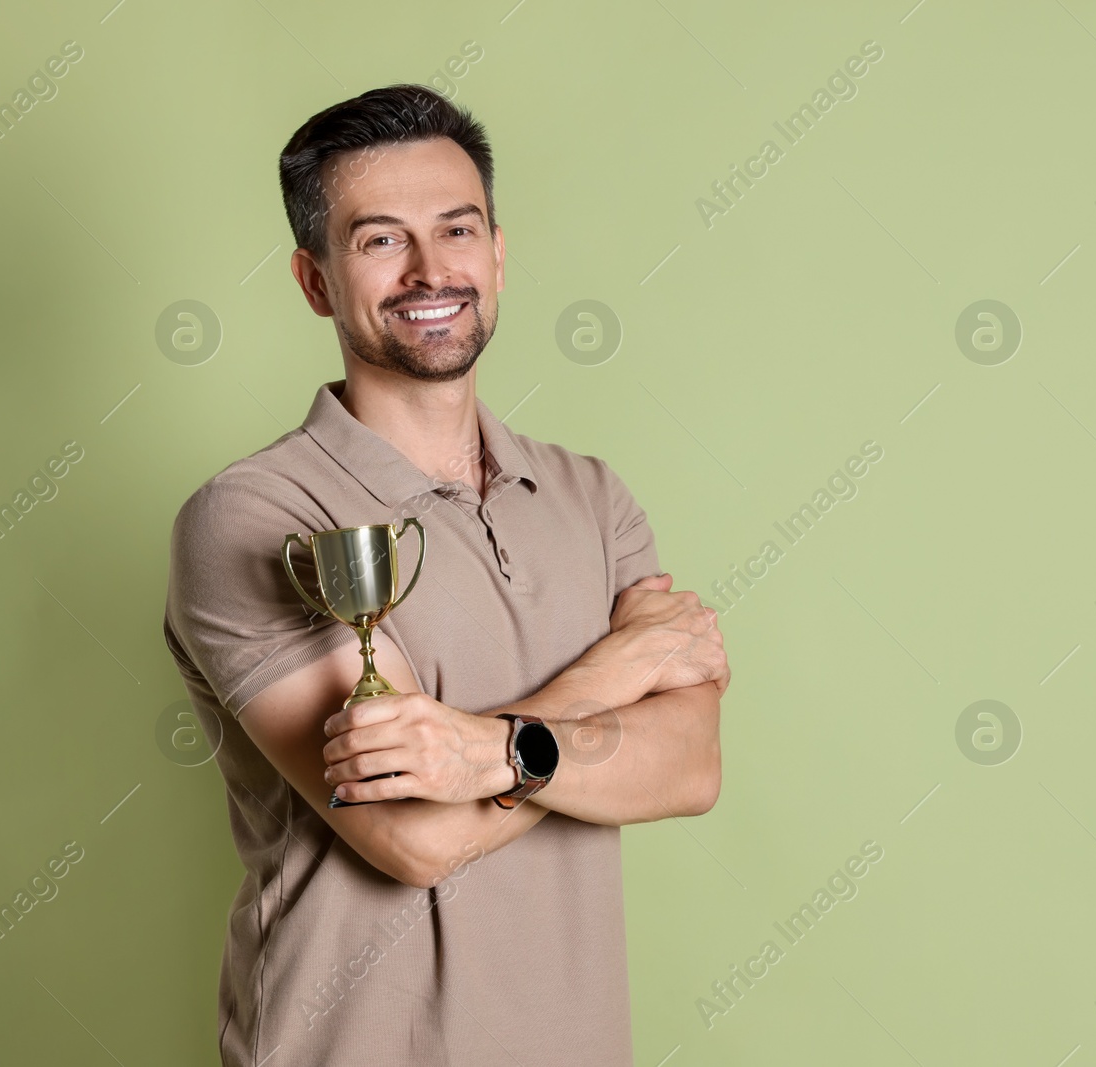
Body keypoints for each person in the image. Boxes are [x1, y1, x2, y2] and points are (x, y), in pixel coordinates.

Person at [162, 83, 728, 1067]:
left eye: (457, 229)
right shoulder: (254, 516)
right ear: (315, 280)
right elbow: (409, 837)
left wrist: (488, 754)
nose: (432, 269)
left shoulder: (591, 496)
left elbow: (688, 763)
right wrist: (605, 680)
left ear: (498, 253)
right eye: (381, 240)